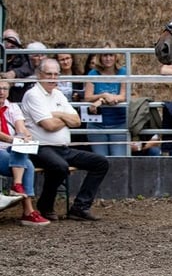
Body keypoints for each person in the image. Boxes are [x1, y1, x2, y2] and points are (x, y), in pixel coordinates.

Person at [21, 58, 109, 222]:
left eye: (56, 74)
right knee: (59, 167)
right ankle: (45, 206)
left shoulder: (58, 94)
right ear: (39, 75)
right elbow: (48, 125)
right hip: (40, 147)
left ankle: (80, 207)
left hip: (63, 148)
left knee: (101, 162)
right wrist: (63, 118)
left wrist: (58, 114)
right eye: (49, 74)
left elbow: (77, 121)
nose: (53, 78)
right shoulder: (33, 95)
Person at [0, 80, 50, 225]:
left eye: (4, 88)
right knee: (28, 164)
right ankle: (28, 211)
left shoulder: (13, 107)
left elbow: (20, 127)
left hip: (12, 149)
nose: (1, 91)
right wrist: (14, 140)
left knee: (23, 147)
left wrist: (25, 137)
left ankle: (17, 186)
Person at [83, 41, 128, 156]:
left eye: (111, 55)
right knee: (101, 161)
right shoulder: (93, 74)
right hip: (97, 125)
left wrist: (102, 100)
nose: (108, 58)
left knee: (118, 160)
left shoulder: (123, 72)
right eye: (105, 55)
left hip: (119, 123)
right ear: (100, 57)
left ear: (115, 56)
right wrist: (103, 96)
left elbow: (123, 96)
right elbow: (88, 97)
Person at [1, 30, 35, 102]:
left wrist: (14, 73)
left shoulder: (22, 55)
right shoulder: (1, 56)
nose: (12, 44)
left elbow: (29, 67)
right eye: (8, 41)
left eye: (14, 41)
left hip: (19, 95)